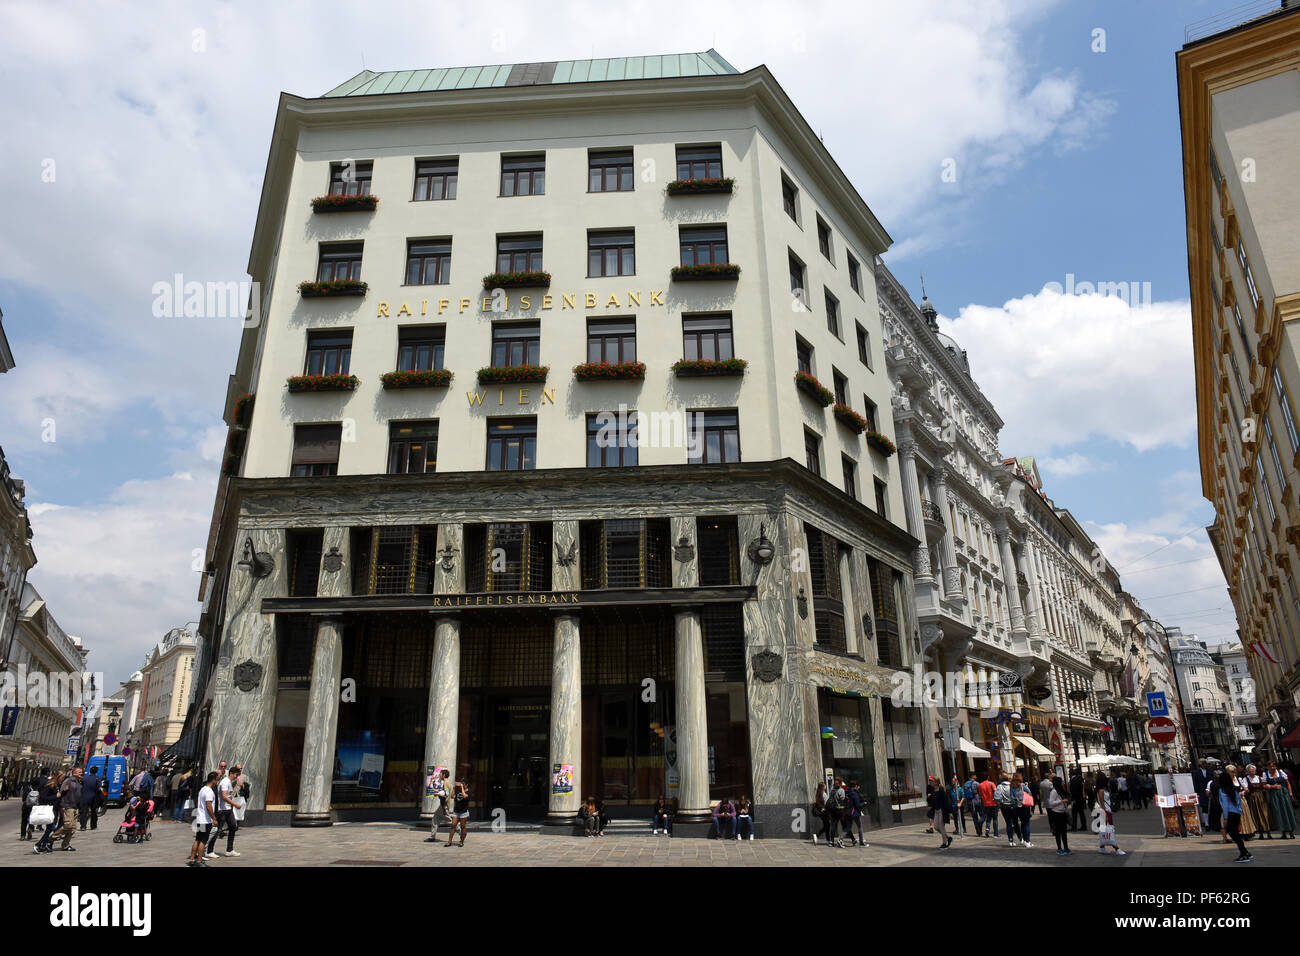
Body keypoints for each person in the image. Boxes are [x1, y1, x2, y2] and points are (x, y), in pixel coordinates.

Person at [1219, 765, 1253, 863]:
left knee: (1233, 833)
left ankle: (1244, 853)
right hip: (1236, 813)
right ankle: (1245, 852)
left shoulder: (1222, 790)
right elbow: (1238, 801)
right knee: (1235, 833)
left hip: (1230, 813)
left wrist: (1225, 818)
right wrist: (1239, 811)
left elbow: (1225, 805)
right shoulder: (1233, 789)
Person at [207, 766, 242, 857]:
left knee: (233, 827)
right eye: (236, 775)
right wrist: (235, 804)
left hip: (228, 810)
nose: (236, 777)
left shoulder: (229, 782)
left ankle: (229, 850)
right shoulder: (225, 782)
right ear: (231, 773)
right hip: (222, 810)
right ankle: (209, 851)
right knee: (217, 830)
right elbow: (224, 796)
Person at [188, 771, 220, 867]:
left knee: (197, 839)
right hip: (205, 820)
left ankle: (192, 860)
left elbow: (199, 802)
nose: (217, 782)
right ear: (213, 780)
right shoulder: (209, 791)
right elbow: (209, 806)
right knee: (203, 841)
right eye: (217, 780)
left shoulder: (202, 789)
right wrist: (214, 818)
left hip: (200, 818)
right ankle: (199, 861)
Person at [33, 770, 63, 853]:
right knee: (53, 828)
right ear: (58, 777)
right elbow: (43, 797)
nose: (62, 779)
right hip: (49, 809)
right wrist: (55, 796)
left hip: (54, 809)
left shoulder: (57, 785)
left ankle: (42, 845)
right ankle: (39, 844)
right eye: (62, 778)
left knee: (49, 829)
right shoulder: (50, 785)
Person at [1096, 771, 1126, 856]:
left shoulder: (1102, 790)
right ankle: (1116, 848)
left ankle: (1102, 847)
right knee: (1111, 830)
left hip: (1105, 811)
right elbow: (1102, 803)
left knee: (1104, 830)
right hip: (1105, 812)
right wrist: (1105, 814)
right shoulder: (1101, 791)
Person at [1264, 762, 1296, 839]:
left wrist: (1290, 794)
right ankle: (1283, 832)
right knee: (1278, 812)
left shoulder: (1280, 772)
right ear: (1268, 767)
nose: (1272, 768)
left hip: (1283, 794)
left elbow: (1288, 783)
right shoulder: (1266, 774)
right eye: (1270, 766)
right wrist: (1271, 786)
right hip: (1274, 795)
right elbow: (1264, 785)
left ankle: (1291, 832)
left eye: (1273, 766)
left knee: (1288, 811)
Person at [1243, 765, 1273, 839]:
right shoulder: (1246, 779)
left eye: (1253, 771)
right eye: (1250, 771)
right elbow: (1245, 788)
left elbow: (1264, 785)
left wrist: (1268, 786)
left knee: (1265, 814)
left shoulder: (1260, 777)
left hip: (1261, 798)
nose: (1252, 772)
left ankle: (1268, 832)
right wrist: (1246, 789)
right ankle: (1261, 833)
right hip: (1253, 798)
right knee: (1256, 815)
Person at [994, 774, 1022, 847]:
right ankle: (1020, 837)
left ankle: (1010, 839)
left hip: (1004, 806)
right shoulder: (1012, 785)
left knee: (1008, 822)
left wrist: (1000, 802)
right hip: (1013, 805)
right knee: (1015, 822)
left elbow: (997, 797)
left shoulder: (999, 786)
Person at [1047, 776, 1072, 855]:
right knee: (1058, 832)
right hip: (1056, 813)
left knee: (1064, 832)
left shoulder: (1060, 790)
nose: (1063, 783)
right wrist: (1061, 801)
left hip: (1062, 813)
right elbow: (1051, 803)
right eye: (1061, 781)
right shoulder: (1054, 791)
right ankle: (1059, 849)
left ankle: (1066, 848)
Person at [929, 778, 952, 849]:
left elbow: (946, 802)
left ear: (936, 783)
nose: (931, 783)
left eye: (932, 782)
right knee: (936, 827)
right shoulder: (933, 791)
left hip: (942, 811)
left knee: (941, 827)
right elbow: (932, 802)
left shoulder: (941, 791)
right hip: (936, 811)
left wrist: (950, 812)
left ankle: (944, 843)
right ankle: (948, 838)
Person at [445, 780, 469, 847]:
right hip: (456, 812)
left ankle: (461, 841)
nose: (462, 785)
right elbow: (453, 796)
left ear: (466, 785)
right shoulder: (459, 791)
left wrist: (461, 788)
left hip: (463, 813)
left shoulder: (468, 792)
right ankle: (449, 842)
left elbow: (464, 796)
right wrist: (453, 788)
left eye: (463, 784)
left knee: (463, 827)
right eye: (461, 784)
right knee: (453, 826)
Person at [1014, 772, 1035, 847]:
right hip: (1025, 806)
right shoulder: (1022, 785)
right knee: (1027, 823)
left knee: (1022, 823)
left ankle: (1023, 839)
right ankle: (1027, 841)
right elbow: (1030, 792)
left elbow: (1012, 797)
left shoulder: (1012, 786)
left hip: (1017, 807)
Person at [845, 780, 867, 847]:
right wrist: (864, 803)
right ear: (855, 786)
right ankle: (861, 842)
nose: (859, 787)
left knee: (848, 827)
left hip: (848, 812)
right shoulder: (854, 793)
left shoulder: (847, 792)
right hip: (855, 812)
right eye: (858, 786)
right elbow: (857, 805)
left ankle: (840, 839)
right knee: (860, 827)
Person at [1192, 759, 1210, 830]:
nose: (1205, 765)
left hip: (1210, 792)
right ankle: (1206, 823)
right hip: (1202, 792)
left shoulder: (1210, 772)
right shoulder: (1196, 773)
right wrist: (1197, 793)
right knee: (1204, 808)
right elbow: (1195, 783)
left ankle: (1211, 822)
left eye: (1205, 763)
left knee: (1211, 807)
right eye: (1203, 763)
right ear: (1200, 764)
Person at [979, 772, 999, 838]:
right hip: (993, 803)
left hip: (985, 804)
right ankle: (996, 834)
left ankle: (987, 828)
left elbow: (980, 794)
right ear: (988, 777)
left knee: (988, 818)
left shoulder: (980, 785)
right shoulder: (991, 783)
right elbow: (996, 791)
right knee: (995, 819)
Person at [964, 772, 983, 837]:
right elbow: (980, 792)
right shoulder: (976, 783)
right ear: (973, 776)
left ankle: (978, 832)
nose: (976, 776)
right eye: (975, 775)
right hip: (977, 801)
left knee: (974, 817)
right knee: (982, 815)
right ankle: (980, 827)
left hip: (970, 802)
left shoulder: (966, 784)